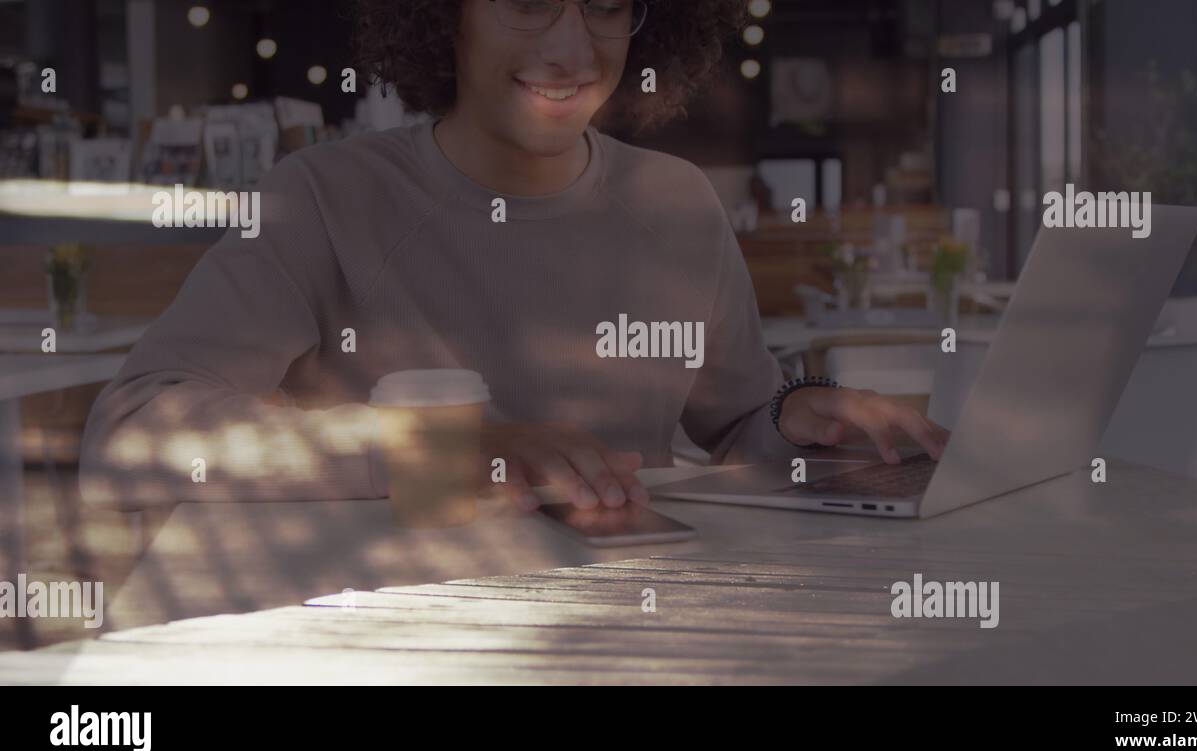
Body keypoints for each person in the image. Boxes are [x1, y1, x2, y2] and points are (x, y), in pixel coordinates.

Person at [80, 0, 947, 514]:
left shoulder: (678, 203)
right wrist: (447, 453)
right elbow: (131, 434)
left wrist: (801, 422)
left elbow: (737, 422)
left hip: (639, 627)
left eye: (606, 1)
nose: (574, 51)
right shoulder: (322, 199)